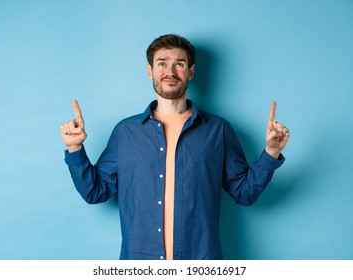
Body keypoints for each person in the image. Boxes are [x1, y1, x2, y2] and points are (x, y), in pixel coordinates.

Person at [60, 34, 290, 260]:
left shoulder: (218, 130)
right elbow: (95, 192)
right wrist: (75, 149)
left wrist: (271, 152)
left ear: (190, 72)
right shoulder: (125, 133)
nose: (170, 72)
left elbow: (244, 193)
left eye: (179, 64)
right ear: (150, 71)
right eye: (162, 64)